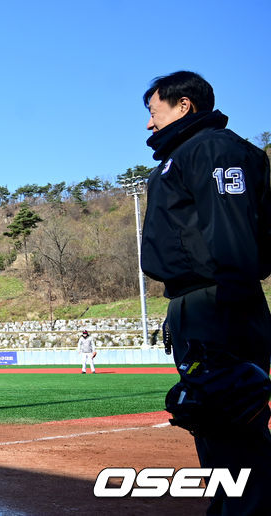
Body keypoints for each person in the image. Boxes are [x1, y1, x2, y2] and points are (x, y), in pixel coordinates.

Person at [139, 70, 271, 514]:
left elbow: (230, 233)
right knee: (209, 420)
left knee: (232, 416)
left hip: (220, 300)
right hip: (198, 301)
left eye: (153, 111)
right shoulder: (183, 155)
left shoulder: (212, 149)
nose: (148, 123)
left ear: (184, 106)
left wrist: (223, 311)